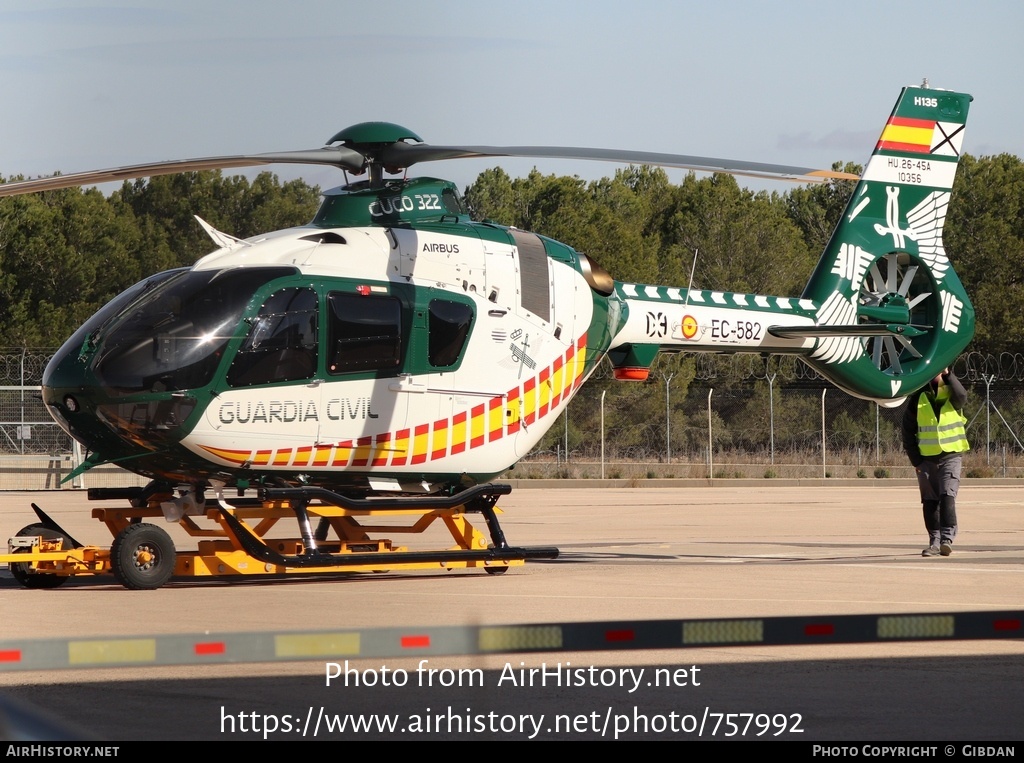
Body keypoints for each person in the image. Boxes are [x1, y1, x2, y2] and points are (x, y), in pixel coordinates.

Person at [901, 368, 970, 557]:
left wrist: (948, 375)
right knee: (930, 501)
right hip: (926, 459)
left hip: (951, 454)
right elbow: (907, 430)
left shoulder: (952, 393)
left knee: (947, 495)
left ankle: (947, 539)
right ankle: (934, 541)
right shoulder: (918, 398)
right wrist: (916, 460)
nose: (935, 374)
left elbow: (962, 396)